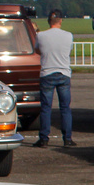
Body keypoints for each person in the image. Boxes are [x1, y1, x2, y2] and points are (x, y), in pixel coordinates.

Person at [33, 9, 75, 147]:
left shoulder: (41, 35)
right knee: (65, 108)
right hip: (63, 73)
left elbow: (38, 50)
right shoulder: (68, 35)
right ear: (61, 21)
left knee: (46, 108)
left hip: (47, 72)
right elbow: (68, 51)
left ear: (48, 21)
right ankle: (67, 138)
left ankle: (44, 138)